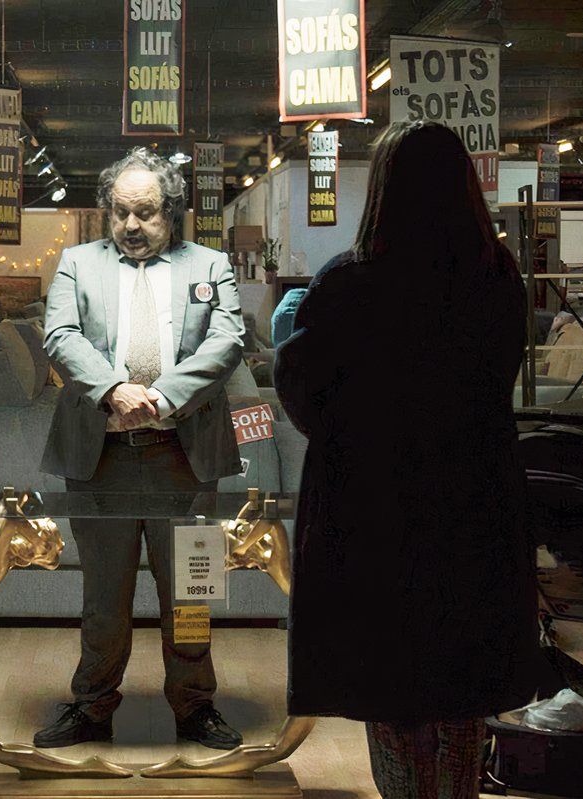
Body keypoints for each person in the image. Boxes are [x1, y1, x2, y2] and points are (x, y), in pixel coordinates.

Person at [274, 120, 541, 799]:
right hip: (474, 509)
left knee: (389, 690)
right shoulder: (499, 279)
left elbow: (302, 388)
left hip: (371, 516)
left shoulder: (347, 283)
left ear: (383, 191)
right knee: (462, 691)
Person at [37, 147, 247, 751]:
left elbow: (229, 336)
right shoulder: (78, 262)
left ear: (172, 213)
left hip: (186, 457)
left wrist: (158, 398)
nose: (131, 226)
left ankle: (194, 707)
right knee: (104, 598)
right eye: (120, 213)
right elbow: (60, 333)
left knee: (191, 593)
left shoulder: (211, 263)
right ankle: (92, 706)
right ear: (107, 212)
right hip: (100, 459)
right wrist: (113, 389)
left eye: (147, 213)